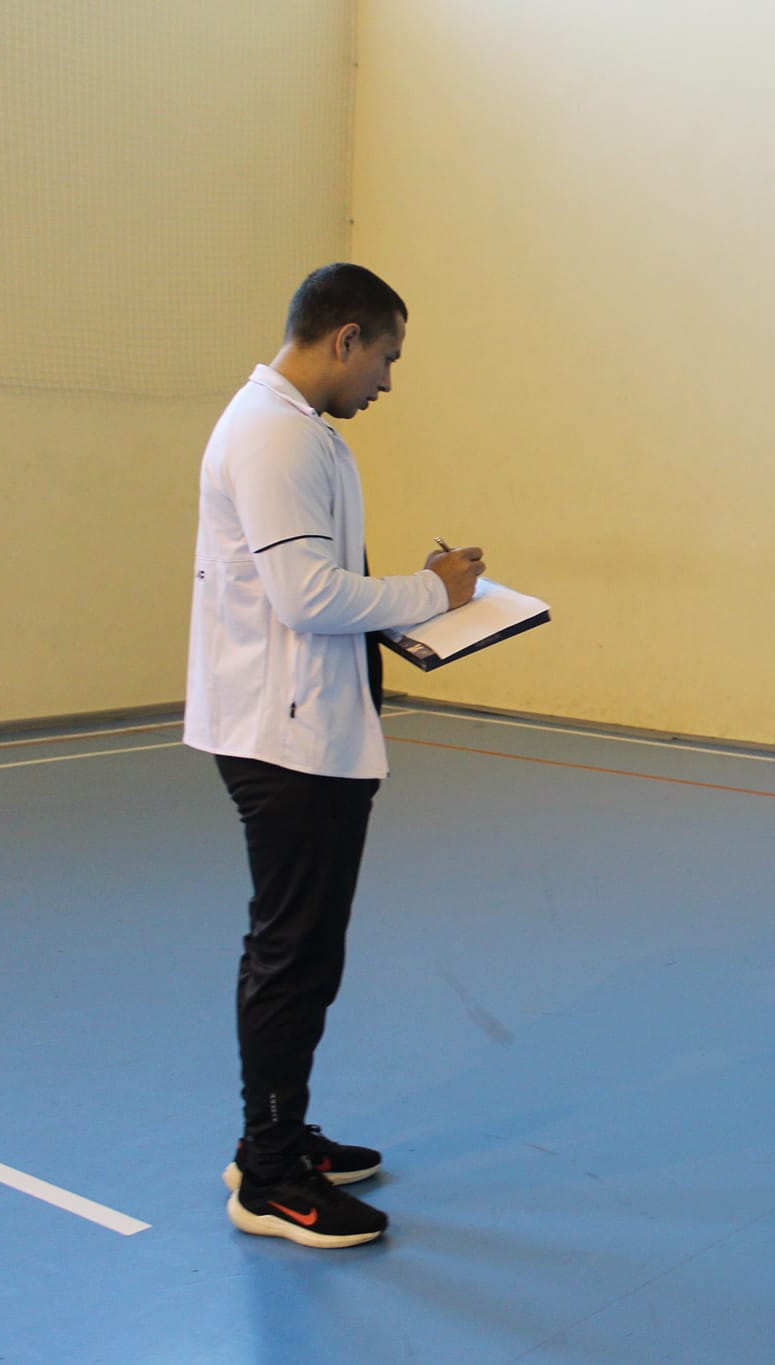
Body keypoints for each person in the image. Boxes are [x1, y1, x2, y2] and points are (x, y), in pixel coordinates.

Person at [184, 263, 485, 1248]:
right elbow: (307, 597)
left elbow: (315, 586)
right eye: (386, 357)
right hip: (286, 742)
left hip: (302, 727)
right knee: (293, 954)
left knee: (303, 951)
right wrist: (433, 592)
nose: (387, 381)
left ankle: (276, 1135)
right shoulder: (273, 433)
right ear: (345, 338)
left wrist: (411, 608)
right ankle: (268, 1176)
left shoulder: (294, 428)